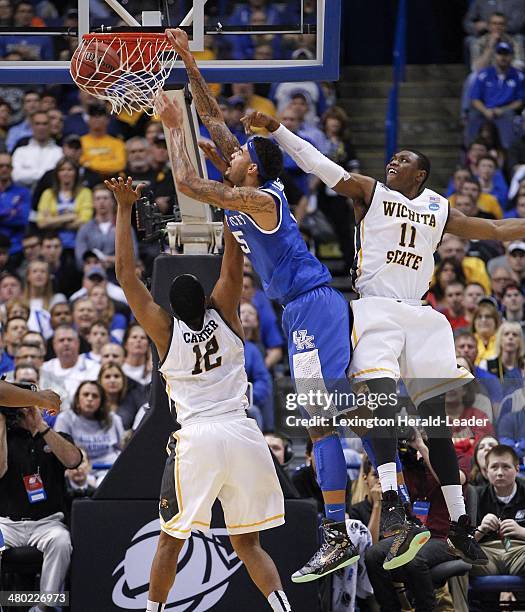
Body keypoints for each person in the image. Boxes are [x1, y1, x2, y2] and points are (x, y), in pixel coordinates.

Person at [240, 105, 525, 571]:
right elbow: (319, 164)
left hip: (421, 313)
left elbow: (492, 230)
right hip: (374, 309)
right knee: (379, 399)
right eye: (391, 158)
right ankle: (392, 499)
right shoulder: (370, 192)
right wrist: (279, 131)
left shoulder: (437, 207)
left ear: (422, 175)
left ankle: (457, 522)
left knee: (435, 423)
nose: (392, 162)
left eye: (403, 160)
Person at [160, 28, 362, 583]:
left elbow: (190, 185)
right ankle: (363, 507)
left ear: (250, 169)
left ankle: (342, 528)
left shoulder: (259, 196)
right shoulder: (247, 175)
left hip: (313, 305)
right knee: (327, 420)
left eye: (238, 153)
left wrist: (174, 133)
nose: (231, 150)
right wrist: (184, 61)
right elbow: (215, 119)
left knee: (323, 423)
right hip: (299, 310)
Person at [107, 176, 293, 612]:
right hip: (245, 434)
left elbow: (124, 274)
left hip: (199, 439)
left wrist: (123, 208)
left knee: (171, 538)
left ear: (169, 308)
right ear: (207, 300)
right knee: (248, 543)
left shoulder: (164, 332)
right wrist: (228, 194)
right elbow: (233, 258)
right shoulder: (228, 315)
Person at [0, 386, 77, 612]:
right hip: (7, 522)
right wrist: (2, 420)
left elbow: (73, 460)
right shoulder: (7, 439)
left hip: (47, 522)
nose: (23, 411)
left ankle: (45, 607)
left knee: (61, 541)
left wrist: (40, 426)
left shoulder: (56, 437)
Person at [53, 380, 123, 483]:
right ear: (77, 399)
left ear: (101, 401)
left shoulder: (114, 419)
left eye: (95, 396)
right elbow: (60, 453)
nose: (90, 399)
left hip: (110, 471)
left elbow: (122, 449)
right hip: (79, 474)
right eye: (86, 395)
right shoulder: (65, 419)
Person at [473, 444, 525, 582]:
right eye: (494, 467)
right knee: (458, 561)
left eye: (506, 467)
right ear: (486, 471)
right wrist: (481, 530)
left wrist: (521, 532)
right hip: (486, 554)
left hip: (520, 551)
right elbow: (462, 543)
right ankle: (461, 605)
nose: (500, 473)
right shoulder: (475, 496)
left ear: (517, 469)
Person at [36, 157, 93, 255]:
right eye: (62, 170)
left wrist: (52, 220)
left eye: (70, 169)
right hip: (53, 245)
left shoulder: (85, 192)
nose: (66, 173)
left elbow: (84, 221)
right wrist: (71, 216)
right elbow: (41, 222)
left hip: (77, 243)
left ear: (76, 173)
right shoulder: (48, 194)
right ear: (57, 173)